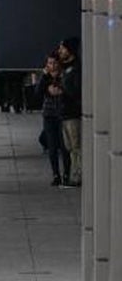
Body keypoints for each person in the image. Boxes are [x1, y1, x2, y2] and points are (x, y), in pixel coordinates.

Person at [36, 53, 71, 186]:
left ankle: (67, 173)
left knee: (64, 146)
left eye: (55, 63)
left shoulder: (64, 76)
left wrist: (60, 90)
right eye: (50, 63)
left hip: (63, 115)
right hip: (49, 115)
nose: (52, 66)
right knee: (52, 146)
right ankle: (56, 174)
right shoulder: (45, 78)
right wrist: (45, 77)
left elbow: (70, 91)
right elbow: (37, 93)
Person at [58, 37, 82, 187]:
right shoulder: (65, 68)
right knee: (69, 147)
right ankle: (74, 174)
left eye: (63, 48)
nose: (60, 51)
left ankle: (77, 175)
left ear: (70, 50)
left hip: (73, 113)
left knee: (76, 147)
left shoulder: (76, 69)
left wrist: (62, 90)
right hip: (65, 113)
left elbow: (76, 90)